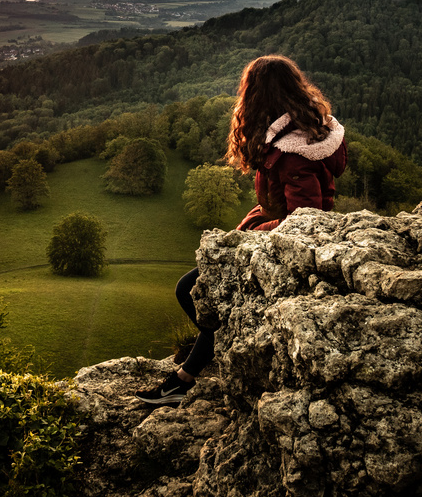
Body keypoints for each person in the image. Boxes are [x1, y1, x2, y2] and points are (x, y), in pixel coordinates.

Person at [136, 55, 347, 406]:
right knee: (203, 293)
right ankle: (185, 378)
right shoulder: (302, 131)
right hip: (272, 230)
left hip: (281, 243)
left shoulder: (293, 150)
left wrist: (250, 236)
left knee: (191, 288)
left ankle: (192, 373)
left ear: (258, 97)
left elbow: (306, 217)